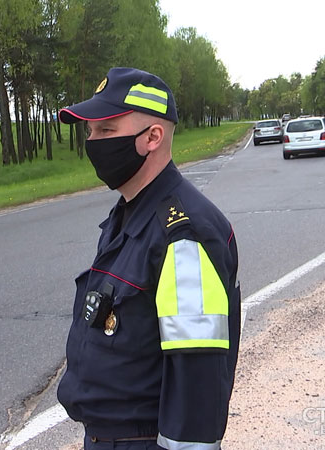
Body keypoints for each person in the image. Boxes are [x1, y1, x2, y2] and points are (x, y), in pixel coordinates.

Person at [56, 67, 240, 450]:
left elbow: (197, 387)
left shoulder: (183, 235)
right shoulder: (127, 214)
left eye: (106, 131)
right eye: (90, 132)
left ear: (152, 137)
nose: (92, 141)